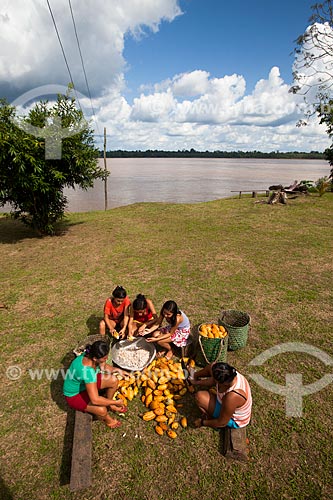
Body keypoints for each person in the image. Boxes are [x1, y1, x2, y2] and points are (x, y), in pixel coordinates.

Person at [63, 340, 129, 429]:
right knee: (102, 410)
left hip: (85, 384)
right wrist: (116, 402)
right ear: (95, 358)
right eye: (104, 358)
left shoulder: (88, 355)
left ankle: (109, 405)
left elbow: (104, 366)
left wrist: (119, 371)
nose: (106, 359)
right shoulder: (87, 372)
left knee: (113, 380)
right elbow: (95, 400)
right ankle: (108, 420)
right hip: (74, 395)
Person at [191, 362, 252, 430]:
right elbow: (213, 379)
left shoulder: (232, 397)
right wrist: (197, 382)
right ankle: (193, 375)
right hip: (226, 402)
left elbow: (222, 422)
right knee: (212, 366)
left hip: (233, 419)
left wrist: (202, 422)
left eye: (215, 380)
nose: (212, 379)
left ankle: (209, 416)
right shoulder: (230, 374)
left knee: (199, 397)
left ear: (224, 384)